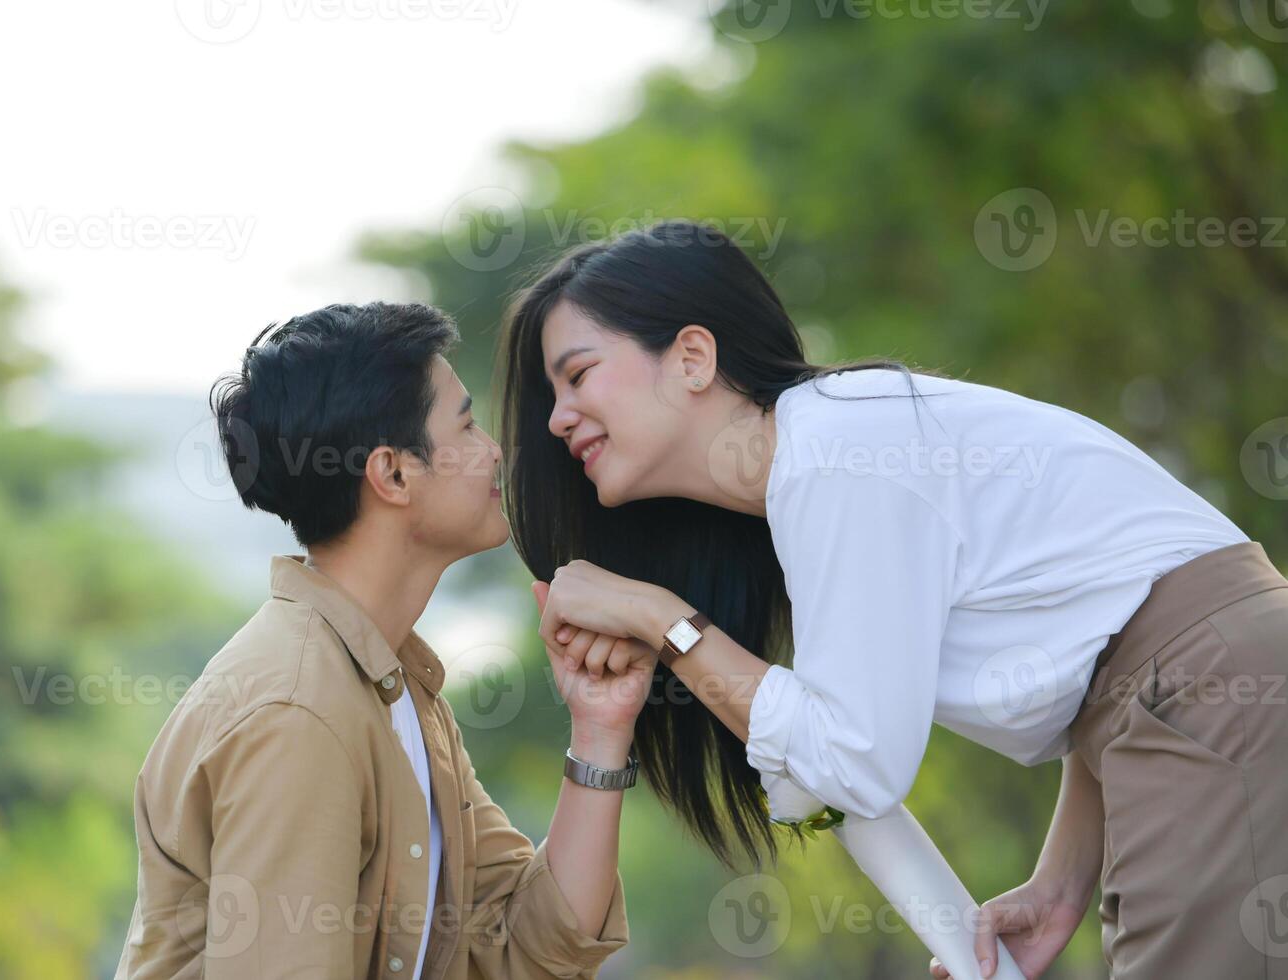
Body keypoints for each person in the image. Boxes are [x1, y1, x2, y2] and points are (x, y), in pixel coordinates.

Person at [495, 220, 1288, 979]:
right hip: (1193, 699)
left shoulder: (839, 455)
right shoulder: (827, 462)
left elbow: (856, 764)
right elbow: (1107, 634)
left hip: (1217, 696)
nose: (560, 418)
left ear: (693, 357)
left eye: (578, 374)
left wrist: (656, 618)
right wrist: (1060, 881)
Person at [115, 302, 643, 979]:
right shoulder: (301, 714)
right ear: (394, 474)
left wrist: (600, 732)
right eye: (466, 423)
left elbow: (525, 943)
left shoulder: (391, 684)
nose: (493, 450)